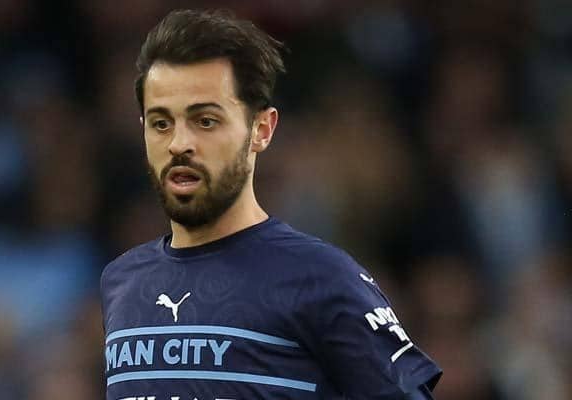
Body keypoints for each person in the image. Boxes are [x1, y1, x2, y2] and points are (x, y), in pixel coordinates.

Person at [100, 9, 441, 399]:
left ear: (261, 129)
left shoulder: (321, 278)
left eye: (205, 121)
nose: (179, 144)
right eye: (161, 123)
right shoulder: (121, 281)